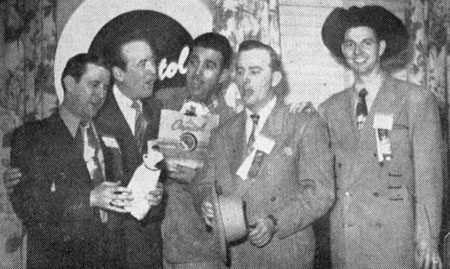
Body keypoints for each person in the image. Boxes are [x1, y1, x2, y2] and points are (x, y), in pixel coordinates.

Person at [319, 5, 443, 268]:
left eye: (366, 43)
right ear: (343, 51)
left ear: (382, 47)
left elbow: (428, 179)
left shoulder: (416, 100)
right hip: (347, 240)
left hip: (395, 240)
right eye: (350, 45)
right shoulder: (329, 108)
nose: (358, 51)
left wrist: (428, 239)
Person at [196, 40, 335, 268]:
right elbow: (204, 183)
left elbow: (321, 192)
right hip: (239, 258)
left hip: (286, 254)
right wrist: (206, 203)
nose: (244, 80)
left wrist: (275, 222)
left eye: (255, 71)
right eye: (240, 72)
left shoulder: (303, 123)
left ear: (276, 78)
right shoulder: (222, 132)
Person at [8, 53, 135, 268]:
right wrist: (90, 198)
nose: (101, 94)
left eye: (105, 87)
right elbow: (30, 207)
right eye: (94, 84)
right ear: (69, 83)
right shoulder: (32, 136)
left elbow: (121, 194)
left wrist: (145, 194)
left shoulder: (111, 136)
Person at [155, 32, 235, 268]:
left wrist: (197, 177)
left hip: (200, 251)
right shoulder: (162, 101)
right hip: (155, 244)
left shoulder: (231, 122)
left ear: (223, 76)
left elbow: (232, 191)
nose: (197, 73)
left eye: (209, 66)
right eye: (193, 62)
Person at [94, 33, 166, 268]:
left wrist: (159, 192)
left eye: (153, 62)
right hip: (108, 249)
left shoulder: (158, 112)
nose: (153, 71)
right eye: (142, 64)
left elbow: (160, 171)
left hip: (148, 248)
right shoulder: (95, 112)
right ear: (118, 74)